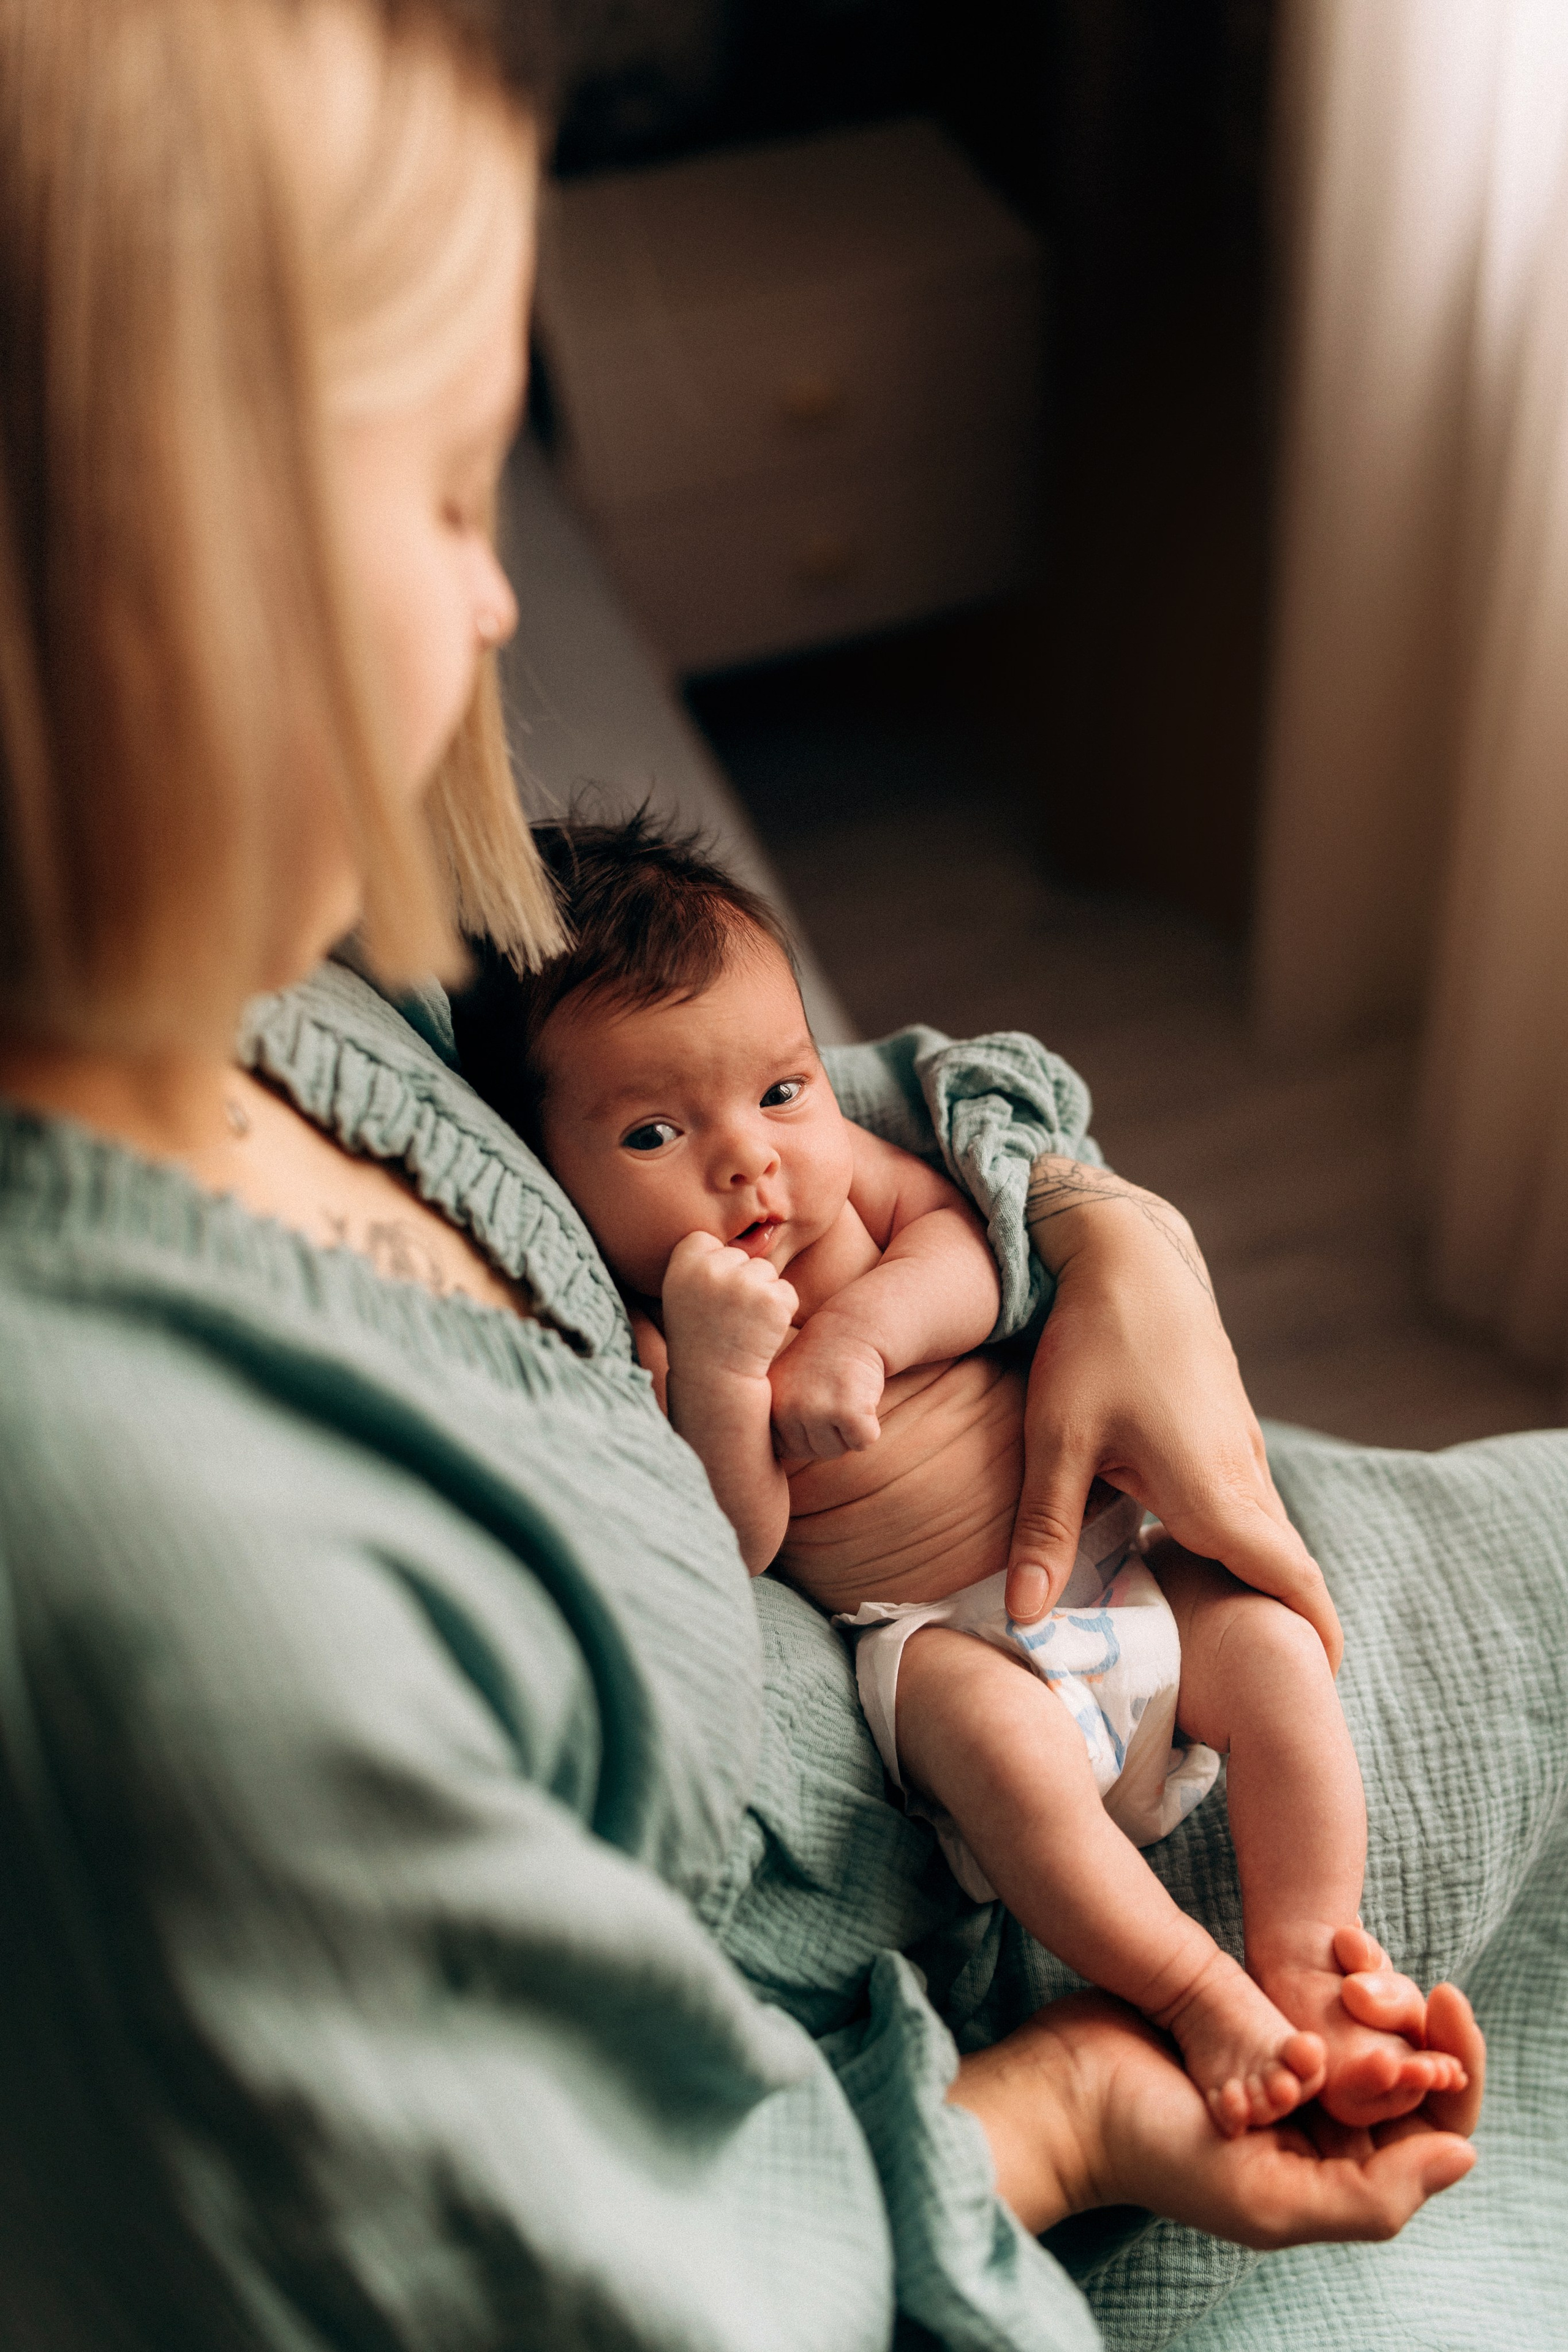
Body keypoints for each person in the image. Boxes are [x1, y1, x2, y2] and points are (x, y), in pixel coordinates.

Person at [0, 2, 1490, 2345]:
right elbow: (662, 2277)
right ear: (156, 558)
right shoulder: (152, 1546)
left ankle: (1307, 1934)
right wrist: (1069, 2120)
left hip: (1150, 1622)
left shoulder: (274, 991)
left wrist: (1105, 1232)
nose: (502, 602)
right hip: (959, 2006)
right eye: (445, 495)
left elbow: (857, 1102)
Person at [453, 815, 1467, 2140]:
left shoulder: (855, 1197)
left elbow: (973, 1254)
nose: (749, 1158)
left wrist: (860, 1337)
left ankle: (1313, 1964)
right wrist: (723, 1375)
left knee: (1274, 1649)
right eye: (653, 1132)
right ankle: (1195, 1993)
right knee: (994, 1748)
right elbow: (738, 1541)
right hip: (941, 1638)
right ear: (551, 1170)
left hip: (1118, 1564)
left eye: (782, 1091)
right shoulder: (660, 1332)